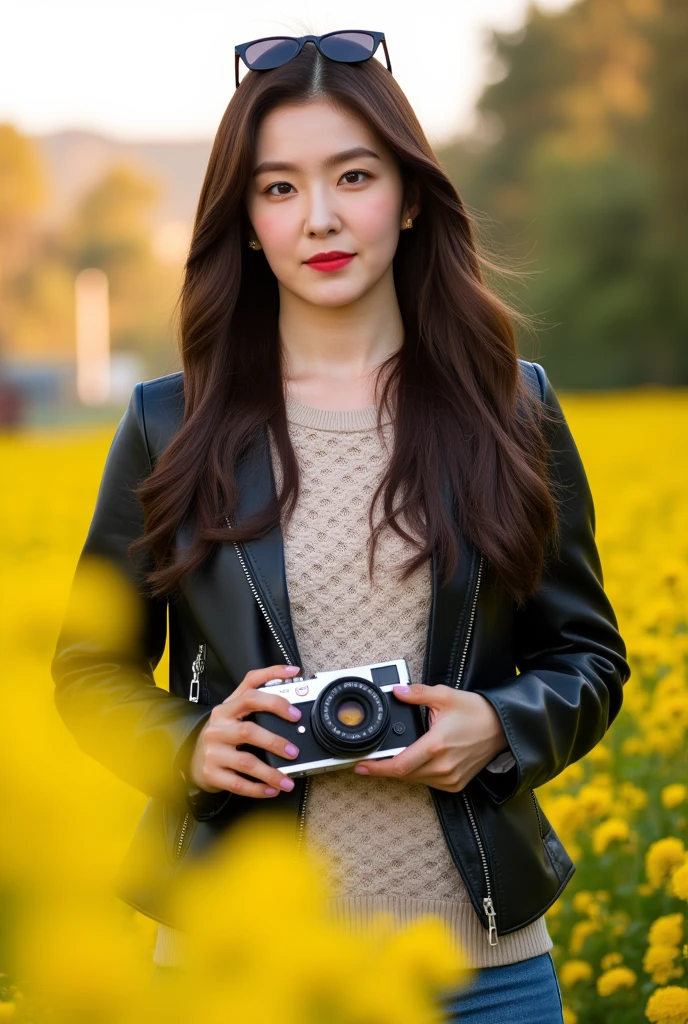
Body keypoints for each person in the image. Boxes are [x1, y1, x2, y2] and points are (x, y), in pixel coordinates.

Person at [51, 30, 631, 1022]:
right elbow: (86, 668)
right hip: (233, 968)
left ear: (407, 197)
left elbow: (586, 654)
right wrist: (187, 742)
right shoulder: (166, 424)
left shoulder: (512, 407)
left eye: (352, 175)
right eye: (277, 187)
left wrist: (497, 726)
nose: (318, 216)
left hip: (479, 971)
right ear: (243, 218)